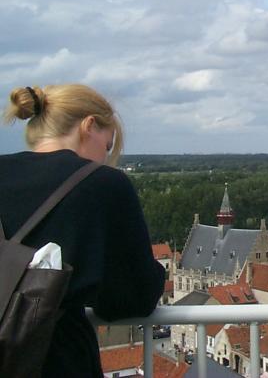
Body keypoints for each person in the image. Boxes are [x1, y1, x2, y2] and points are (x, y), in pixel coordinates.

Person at [0, 84, 165, 377]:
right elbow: (131, 299)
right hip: (55, 361)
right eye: (108, 144)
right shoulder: (104, 184)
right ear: (89, 126)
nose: (106, 155)